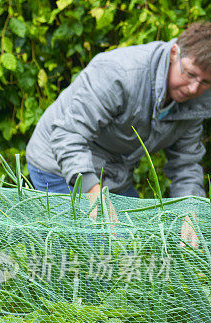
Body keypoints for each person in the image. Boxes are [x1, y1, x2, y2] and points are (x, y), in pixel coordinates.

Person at [26, 22, 211, 247]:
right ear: (174, 53)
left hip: (112, 172)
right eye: (190, 74)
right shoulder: (120, 74)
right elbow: (67, 135)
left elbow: (186, 165)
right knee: (94, 252)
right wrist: (94, 195)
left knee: (131, 247)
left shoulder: (197, 101)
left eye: (205, 82)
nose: (193, 88)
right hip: (57, 163)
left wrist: (189, 211)